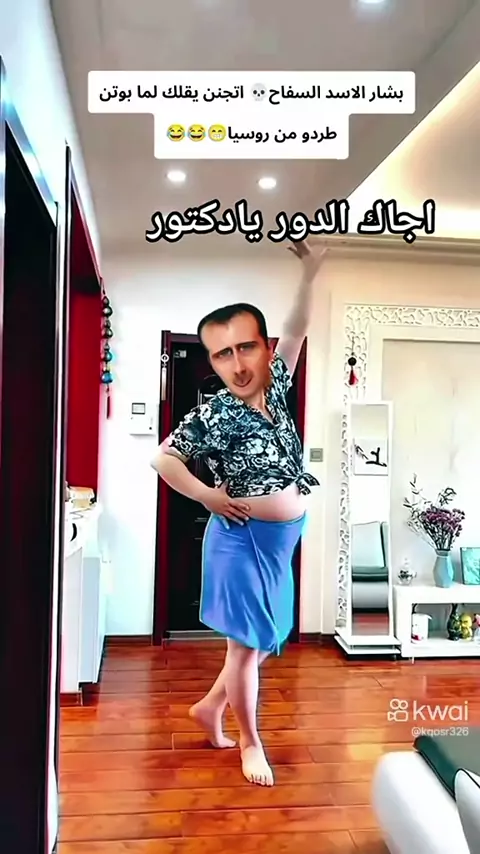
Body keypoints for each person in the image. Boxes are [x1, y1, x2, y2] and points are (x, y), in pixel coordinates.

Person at [150, 239, 326, 786]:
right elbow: (163, 458)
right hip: (241, 541)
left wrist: (309, 274)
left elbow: (296, 328)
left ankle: (209, 707)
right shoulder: (215, 413)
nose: (237, 364)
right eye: (222, 354)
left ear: (265, 350)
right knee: (247, 648)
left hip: (281, 539)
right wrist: (207, 495)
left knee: (266, 637)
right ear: (212, 360)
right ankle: (250, 742)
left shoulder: (278, 385)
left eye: (246, 348)